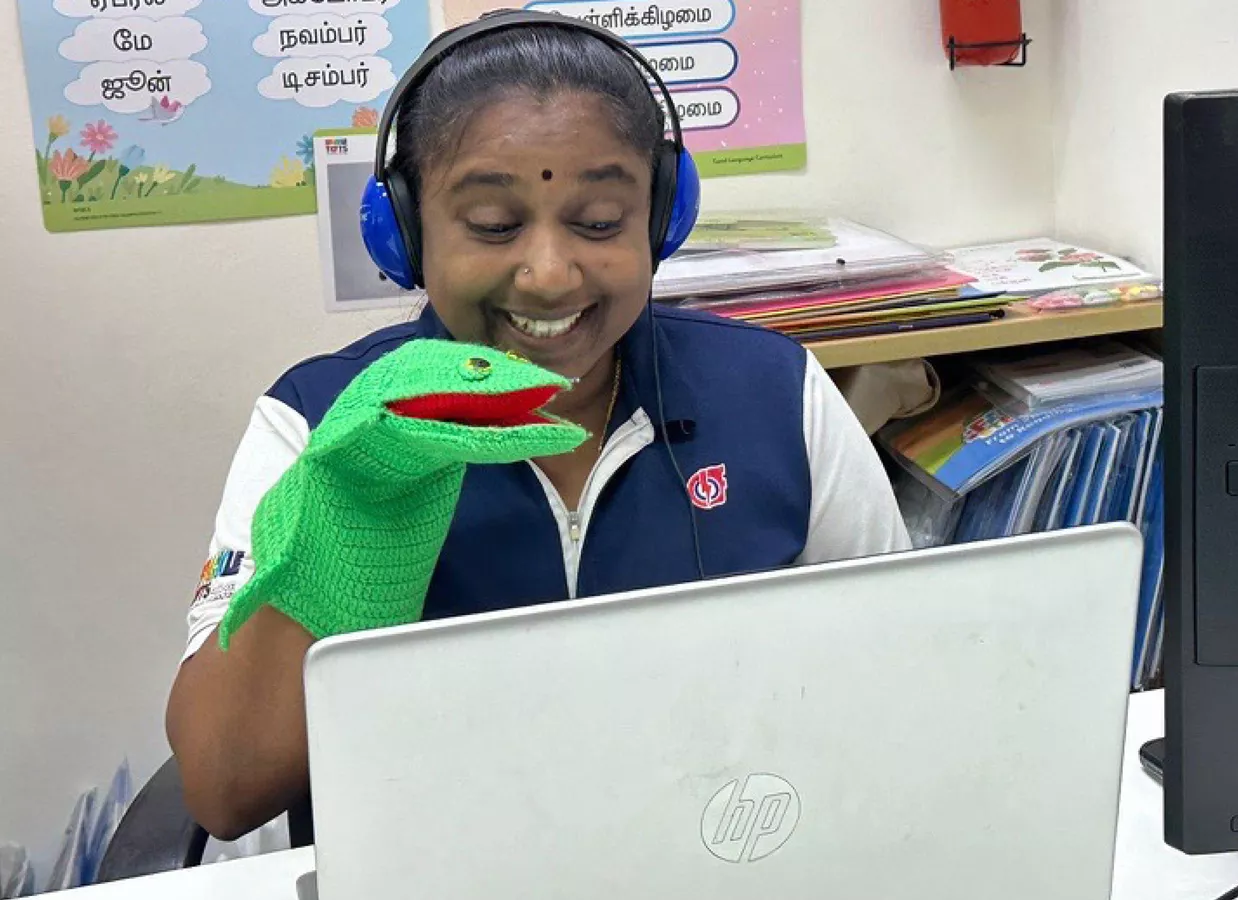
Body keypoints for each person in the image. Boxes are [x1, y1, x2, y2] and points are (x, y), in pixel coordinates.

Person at [165, 14, 910, 842]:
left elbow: (898, 677)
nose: (550, 275)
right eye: (491, 224)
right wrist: (345, 522)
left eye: (598, 221)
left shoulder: (777, 395)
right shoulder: (315, 424)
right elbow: (224, 789)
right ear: (407, 233)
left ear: (661, 220)